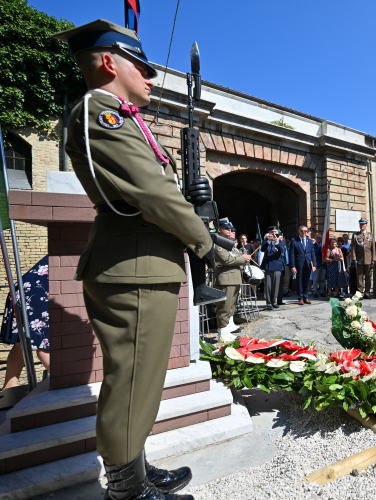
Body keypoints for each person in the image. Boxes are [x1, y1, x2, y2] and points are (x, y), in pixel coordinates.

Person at [54, 19, 204, 499]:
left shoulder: (118, 114)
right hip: (132, 265)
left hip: (140, 262)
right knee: (133, 379)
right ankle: (125, 490)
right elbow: (151, 192)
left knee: (142, 379)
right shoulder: (100, 112)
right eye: (141, 66)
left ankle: (134, 467)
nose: (151, 76)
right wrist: (205, 240)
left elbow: (156, 188)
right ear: (107, 62)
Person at [1, 256, 51, 390]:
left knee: (21, 343)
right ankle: (64, 384)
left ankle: (10, 384)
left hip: (26, 287)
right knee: (44, 344)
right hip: (38, 290)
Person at [214, 218, 251, 336]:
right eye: (226, 228)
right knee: (224, 307)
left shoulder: (227, 244)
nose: (230, 230)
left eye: (230, 228)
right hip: (225, 279)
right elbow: (226, 260)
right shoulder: (218, 244)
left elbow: (236, 255)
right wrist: (243, 259)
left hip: (233, 278)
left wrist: (242, 258)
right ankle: (222, 332)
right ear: (219, 230)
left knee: (231, 306)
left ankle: (227, 328)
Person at [289, 225, 317, 305]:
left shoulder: (309, 241)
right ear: (299, 231)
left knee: (306, 280)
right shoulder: (294, 240)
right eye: (302, 231)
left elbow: (312, 253)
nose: (304, 232)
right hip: (299, 263)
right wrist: (293, 266)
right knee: (299, 281)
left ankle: (306, 297)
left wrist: (314, 264)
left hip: (307, 263)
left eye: (305, 231)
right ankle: (300, 298)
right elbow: (292, 254)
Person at [352, 218, 376, 299]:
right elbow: (353, 248)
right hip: (359, 260)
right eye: (360, 224)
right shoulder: (355, 235)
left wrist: (374, 259)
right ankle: (360, 293)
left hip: (369, 260)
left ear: (366, 225)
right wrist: (354, 259)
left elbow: (373, 249)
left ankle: (367, 293)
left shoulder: (370, 235)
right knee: (359, 278)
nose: (361, 225)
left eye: (363, 224)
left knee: (368, 278)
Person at [261, 227, 284, 310]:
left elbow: (281, 250)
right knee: (268, 286)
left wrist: (277, 242)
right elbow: (262, 249)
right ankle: (268, 303)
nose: (274, 233)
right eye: (272, 232)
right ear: (269, 233)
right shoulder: (266, 241)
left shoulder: (280, 242)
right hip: (268, 266)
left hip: (277, 266)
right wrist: (268, 241)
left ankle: (274, 301)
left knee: (276, 285)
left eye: (275, 232)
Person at [311, 234, 326, 298]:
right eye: (318, 238)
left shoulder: (324, 246)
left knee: (322, 279)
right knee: (316, 279)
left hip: (323, 264)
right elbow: (314, 253)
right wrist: (320, 248)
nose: (319, 239)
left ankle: (322, 291)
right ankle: (315, 291)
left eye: (320, 237)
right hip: (317, 264)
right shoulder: (313, 246)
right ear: (315, 238)